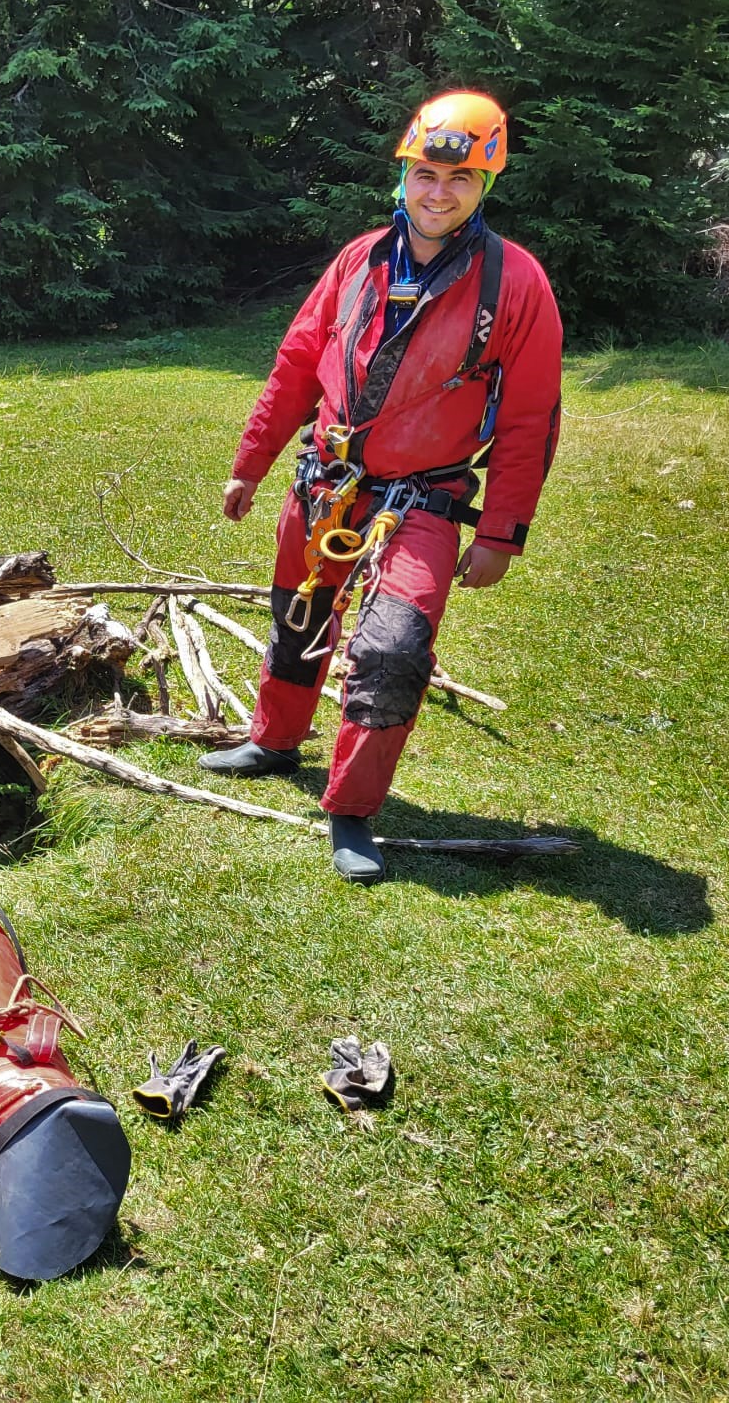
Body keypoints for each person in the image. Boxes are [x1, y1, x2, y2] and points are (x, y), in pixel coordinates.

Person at [199, 90, 563, 883]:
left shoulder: (517, 285)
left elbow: (532, 417)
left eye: (460, 177)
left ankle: (353, 808)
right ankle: (274, 738)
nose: (440, 192)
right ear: (404, 173)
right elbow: (297, 362)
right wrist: (250, 461)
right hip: (325, 485)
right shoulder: (359, 259)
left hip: (422, 501)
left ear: (486, 185)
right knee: (297, 621)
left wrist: (502, 531)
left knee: (393, 650)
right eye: (427, 172)